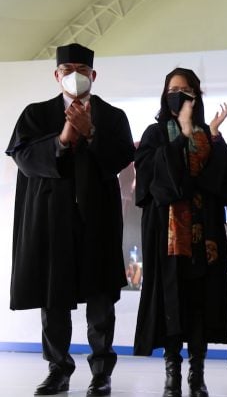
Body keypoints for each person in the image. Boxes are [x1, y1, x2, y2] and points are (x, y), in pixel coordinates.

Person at [5, 43, 135, 396]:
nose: (74, 76)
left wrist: (91, 132)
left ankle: (101, 372)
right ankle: (58, 369)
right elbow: (24, 157)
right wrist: (63, 138)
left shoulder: (112, 116)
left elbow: (121, 157)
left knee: (100, 299)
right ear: (56, 74)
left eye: (82, 69)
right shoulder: (36, 114)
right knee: (54, 299)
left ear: (93, 75)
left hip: (97, 221)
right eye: (67, 69)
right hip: (52, 220)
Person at [132, 68, 227, 397]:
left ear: (197, 95)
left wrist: (215, 137)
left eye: (187, 90)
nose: (180, 95)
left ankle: (198, 373)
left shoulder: (209, 133)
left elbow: (224, 182)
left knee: (201, 303)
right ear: (165, 95)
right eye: (174, 89)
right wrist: (183, 136)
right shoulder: (154, 133)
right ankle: (172, 372)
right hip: (167, 237)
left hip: (204, 233)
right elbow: (156, 183)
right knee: (171, 301)